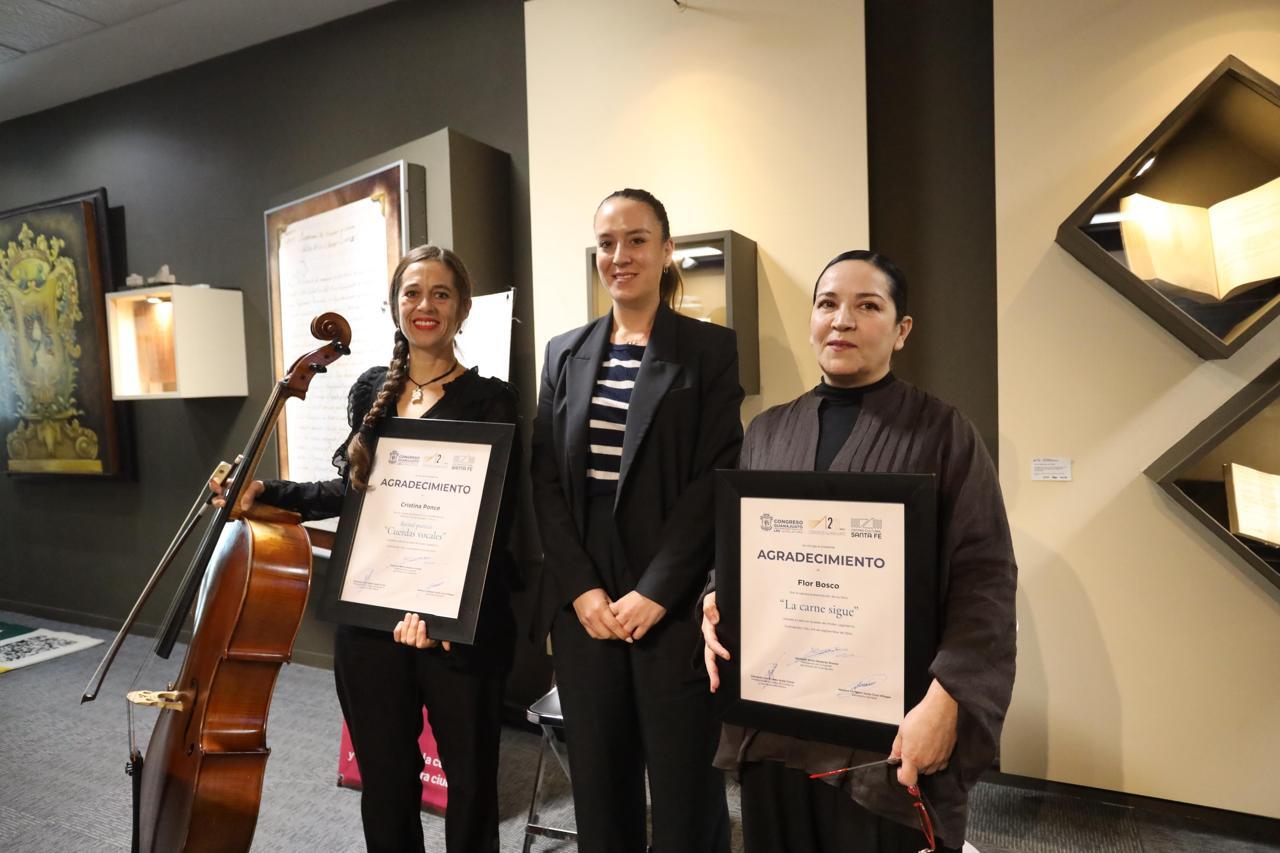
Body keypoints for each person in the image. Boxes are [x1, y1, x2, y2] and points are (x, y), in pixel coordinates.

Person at [702, 250, 1017, 853]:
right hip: (778, 719)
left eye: (867, 305)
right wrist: (717, 595)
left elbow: (986, 580)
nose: (841, 320)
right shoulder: (768, 431)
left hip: (886, 735)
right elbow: (741, 552)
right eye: (827, 304)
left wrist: (948, 699)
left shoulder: (944, 434)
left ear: (901, 331)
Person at [214, 244, 518, 853]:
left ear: (461, 311)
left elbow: (499, 524)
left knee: (473, 782)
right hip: (372, 619)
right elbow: (351, 493)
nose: (424, 305)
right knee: (384, 781)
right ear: (394, 306)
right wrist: (266, 491)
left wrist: (441, 615)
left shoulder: (495, 401)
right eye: (412, 293)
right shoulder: (371, 390)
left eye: (440, 294)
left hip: (453, 626)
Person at [531, 188, 742, 853]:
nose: (620, 255)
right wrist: (581, 589)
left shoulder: (708, 349)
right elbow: (545, 481)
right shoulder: (565, 352)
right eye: (607, 243)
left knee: (685, 792)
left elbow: (715, 476)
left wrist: (657, 590)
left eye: (637, 239)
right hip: (586, 598)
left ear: (667, 248)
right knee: (599, 787)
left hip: (671, 600)